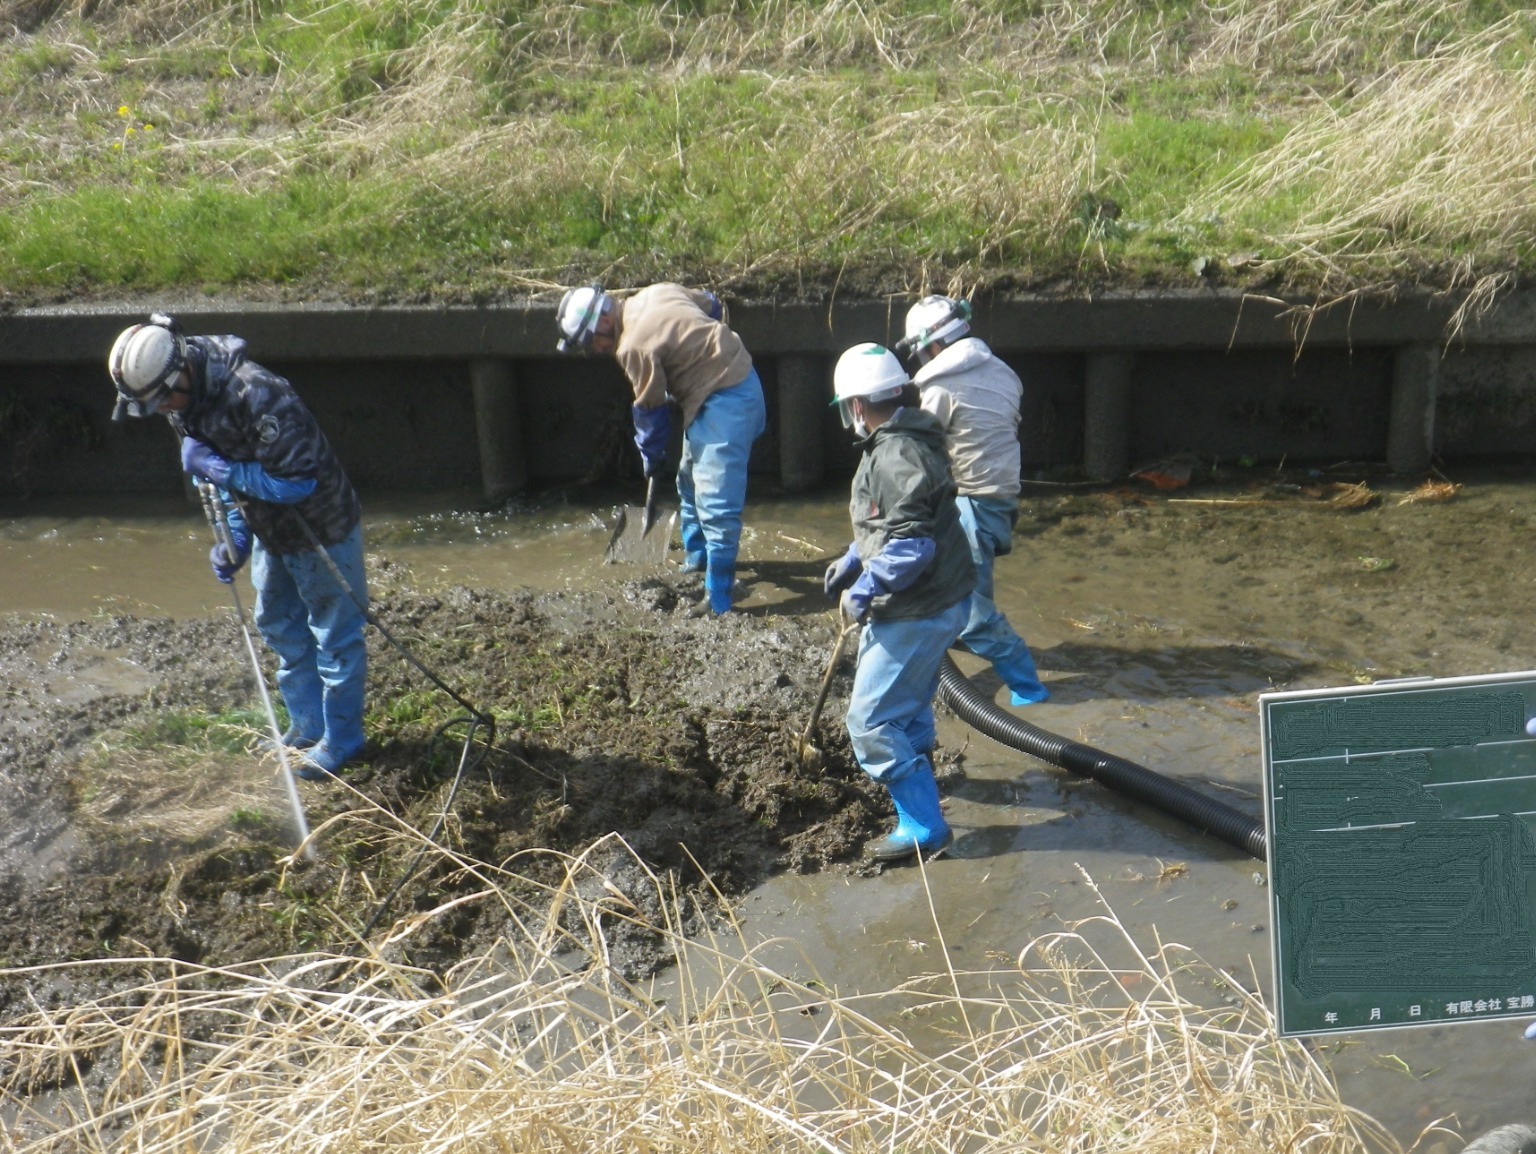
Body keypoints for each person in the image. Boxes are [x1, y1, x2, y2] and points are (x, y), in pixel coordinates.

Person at [107, 313, 367, 781]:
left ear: (179, 374)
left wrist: (220, 469)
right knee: (277, 621)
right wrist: (235, 535)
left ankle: (342, 737)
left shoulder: (258, 394)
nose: (163, 411)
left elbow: (296, 483)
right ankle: (307, 724)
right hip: (269, 528)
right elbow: (215, 478)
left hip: (320, 528)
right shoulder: (185, 402)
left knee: (334, 638)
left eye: (162, 400)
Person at [823, 343, 975, 861]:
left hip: (919, 608)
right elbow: (895, 520)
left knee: (869, 721)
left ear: (857, 405)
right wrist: (855, 555)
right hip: (942, 599)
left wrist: (866, 586)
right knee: (906, 706)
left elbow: (913, 546)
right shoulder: (908, 437)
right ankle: (922, 780)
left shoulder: (894, 455)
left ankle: (923, 826)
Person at [556, 283, 765, 615]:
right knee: (689, 481)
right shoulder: (657, 292)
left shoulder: (632, 346)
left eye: (591, 342)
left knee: (716, 502)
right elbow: (711, 305)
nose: (596, 350)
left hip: (728, 401)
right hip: (735, 381)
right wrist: (691, 354)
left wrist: (651, 458)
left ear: (605, 322)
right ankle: (698, 559)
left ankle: (718, 597)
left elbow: (650, 409)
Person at [897, 295, 1049, 707]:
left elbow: (925, 449)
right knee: (969, 591)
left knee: (970, 609)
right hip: (1002, 500)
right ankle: (953, 644)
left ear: (932, 346)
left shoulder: (941, 385)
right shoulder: (1002, 372)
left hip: (971, 506)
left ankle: (1027, 686)